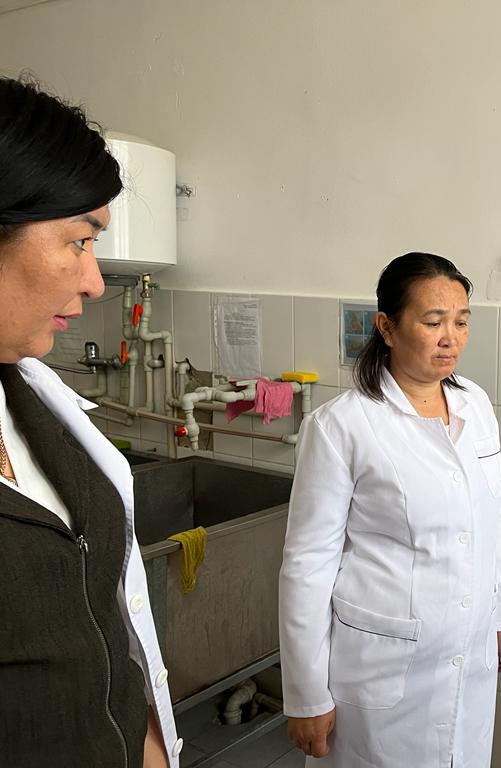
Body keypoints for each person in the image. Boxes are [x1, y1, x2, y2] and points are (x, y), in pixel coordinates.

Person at [278, 252, 501, 767]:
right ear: (387, 328)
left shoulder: (475, 405)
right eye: (433, 322)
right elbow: (308, 565)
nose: (450, 338)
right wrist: (306, 695)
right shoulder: (341, 426)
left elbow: (494, 515)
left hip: (469, 650)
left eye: (461, 322)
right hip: (382, 669)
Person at [0, 77, 178, 766]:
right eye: (79, 240)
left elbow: (105, 623)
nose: (96, 281)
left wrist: (149, 745)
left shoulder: (32, 397)